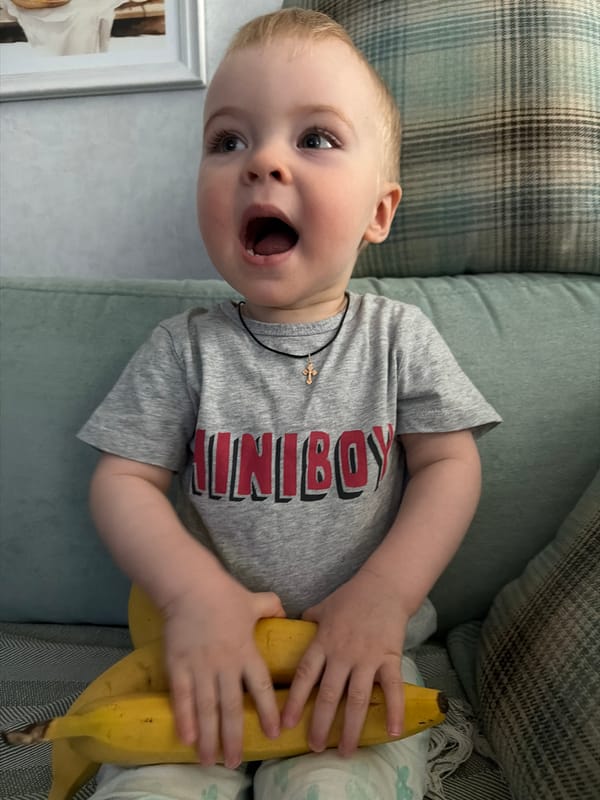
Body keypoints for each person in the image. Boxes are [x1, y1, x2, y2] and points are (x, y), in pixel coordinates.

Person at [78, 8, 501, 799]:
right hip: (205, 657)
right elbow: (120, 480)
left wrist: (384, 596)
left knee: (328, 790)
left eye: (315, 139)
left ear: (380, 211)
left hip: (356, 660)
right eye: (227, 140)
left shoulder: (397, 339)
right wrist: (192, 593)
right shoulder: (184, 350)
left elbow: (451, 461)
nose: (261, 162)